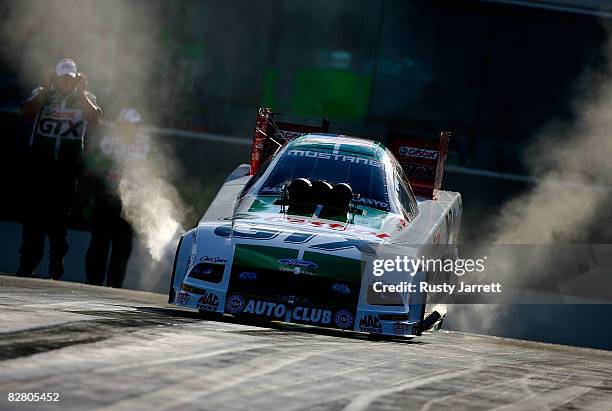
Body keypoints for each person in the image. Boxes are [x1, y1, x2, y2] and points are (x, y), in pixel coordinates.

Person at [18, 58, 102, 279]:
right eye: (62, 78)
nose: (66, 83)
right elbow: (26, 112)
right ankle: (27, 267)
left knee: (59, 222)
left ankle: (56, 268)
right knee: (34, 219)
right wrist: (46, 88)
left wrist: (82, 92)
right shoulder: (42, 92)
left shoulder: (86, 98)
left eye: (70, 78)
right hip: (40, 165)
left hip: (67, 168)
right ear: (55, 77)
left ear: (76, 79)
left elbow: (95, 118)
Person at [84, 108, 150, 287]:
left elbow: (147, 174)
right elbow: (94, 168)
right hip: (105, 199)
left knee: (122, 246)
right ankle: (93, 283)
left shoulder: (144, 146)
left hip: (129, 204)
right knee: (99, 242)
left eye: (135, 125)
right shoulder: (107, 142)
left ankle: (115, 286)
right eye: (128, 124)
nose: (131, 128)